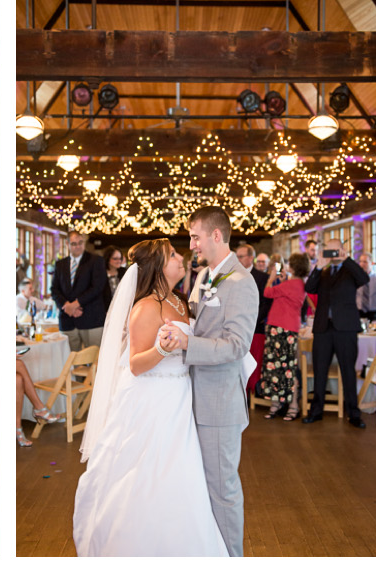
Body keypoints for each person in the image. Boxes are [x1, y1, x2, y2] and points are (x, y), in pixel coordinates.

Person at [73, 238, 227, 556]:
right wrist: (161, 348)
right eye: (172, 255)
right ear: (157, 265)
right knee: (150, 471)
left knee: (181, 472)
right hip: (152, 398)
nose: (180, 258)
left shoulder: (177, 301)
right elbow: (136, 364)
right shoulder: (146, 307)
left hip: (179, 395)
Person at [157, 206, 258, 556]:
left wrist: (187, 342)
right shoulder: (204, 278)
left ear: (216, 235)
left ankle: (232, 557)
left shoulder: (242, 283)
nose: (192, 244)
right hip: (194, 396)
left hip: (218, 402)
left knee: (222, 488)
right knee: (201, 486)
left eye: (196, 236)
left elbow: (235, 345)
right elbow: (200, 320)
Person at [302, 237, 370, 429]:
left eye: (335, 250)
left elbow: (364, 279)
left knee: (348, 371)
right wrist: (317, 267)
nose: (332, 254)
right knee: (320, 371)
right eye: (328, 251)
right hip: (323, 328)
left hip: (346, 328)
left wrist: (346, 259)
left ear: (342, 250)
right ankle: (316, 411)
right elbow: (308, 288)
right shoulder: (323, 272)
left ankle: (354, 414)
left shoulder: (350, 270)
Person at [259, 253, 311, 421]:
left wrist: (271, 278)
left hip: (282, 328)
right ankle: (280, 404)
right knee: (280, 367)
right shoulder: (296, 284)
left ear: (294, 267)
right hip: (284, 326)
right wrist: (281, 282)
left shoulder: (293, 284)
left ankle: (291, 404)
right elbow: (284, 296)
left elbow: (267, 292)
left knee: (284, 368)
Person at [51, 231, 107, 351]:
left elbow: (97, 287)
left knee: (93, 360)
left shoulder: (96, 260)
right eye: (74, 244)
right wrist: (67, 306)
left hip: (91, 318)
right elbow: (54, 290)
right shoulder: (60, 264)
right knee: (69, 360)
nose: (77, 246)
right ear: (67, 244)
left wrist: (76, 304)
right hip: (67, 320)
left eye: (80, 243)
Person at [236, 244, 271, 391]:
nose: (237, 260)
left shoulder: (263, 277)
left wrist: (252, 320)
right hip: (236, 326)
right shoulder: (233, 275)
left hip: (255, 326)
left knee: (254, 361)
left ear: (250, 258)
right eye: (236, 256)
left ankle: (252, 390)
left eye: (240, 257)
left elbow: (266, 303)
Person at [356, 253, 376, 321]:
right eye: (360, 261)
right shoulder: (355, 278)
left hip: (373, 313)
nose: (362, 264)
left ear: (372, 263)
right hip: (358, 313)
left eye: (365, 262)